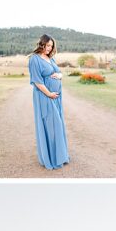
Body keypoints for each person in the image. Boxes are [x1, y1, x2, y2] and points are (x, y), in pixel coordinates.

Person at [28, 34, 69, 171]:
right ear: (41, 44)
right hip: (45, 97)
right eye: (47, 45)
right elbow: (37, 81)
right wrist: (49, 93)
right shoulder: (34, 59)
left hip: (56, 98)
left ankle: (60, 156)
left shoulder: (51, 58)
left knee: (58, 125)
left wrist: (60, 76)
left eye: (51, 46)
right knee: (51, 125)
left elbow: (59, 73)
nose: (49, 48)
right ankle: (51, 158)